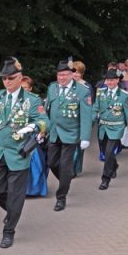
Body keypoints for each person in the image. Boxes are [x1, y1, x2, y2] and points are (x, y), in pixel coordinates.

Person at [0, 58, 48, 248]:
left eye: (11, 78)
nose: (7, 82)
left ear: (20, 78)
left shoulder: (32, 100)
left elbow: (45, 121)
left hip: (19, 154)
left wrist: (31, 126)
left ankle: (9, 231)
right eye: (4, 78)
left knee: (15, 194)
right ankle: (14, 211)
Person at [45, 59, 92, 212]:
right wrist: (42, 129)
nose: (62, 78)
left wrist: (85, 137)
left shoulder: (82, 91)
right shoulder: (52, 88)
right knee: (51, 162)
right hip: (54, 132)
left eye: (65, 75)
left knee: (65, 165)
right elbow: (47, 110)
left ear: (72, 75)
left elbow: (86, 116)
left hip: (71, 133)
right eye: (59, 75)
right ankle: (66, 178)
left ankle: (61, 197)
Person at [92, 70, 128, 190]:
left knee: (109, 152)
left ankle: (105, 179)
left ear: (117, 80)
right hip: (103, 128)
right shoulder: (100, 93)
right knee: (106, 152)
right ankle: (114, 166)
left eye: (112, 80)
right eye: (108, 80)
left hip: (116, 128)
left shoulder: (124, 95)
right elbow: (95, 108)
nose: (109, 82)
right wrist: (89, 123)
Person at [21, 76, 49, 197]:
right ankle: (21, 189)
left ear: (30, 88)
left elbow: (43, 120)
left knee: (35, 163)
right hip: (18, 136)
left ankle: (35, 189)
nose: (23, 90)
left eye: (26, 87)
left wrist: (41, 132)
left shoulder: (36, 101)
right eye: (21, 87)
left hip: (33, 136)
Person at [71, 61, 93, 177]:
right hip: (69, 120)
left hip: (81, 120)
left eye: (78, 73)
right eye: (73, 72)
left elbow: (89, 107)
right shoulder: (66, 85)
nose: (75, 75)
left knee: (79, 147)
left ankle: (74, 168)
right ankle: (70, 168)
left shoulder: (86, 87)